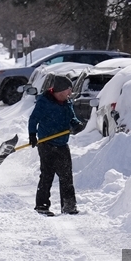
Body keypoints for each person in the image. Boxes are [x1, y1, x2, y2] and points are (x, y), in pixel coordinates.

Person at [28, 76, 83, 216]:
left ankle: (69, 206)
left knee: (66, 176)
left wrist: (76, 124)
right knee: (47, 175)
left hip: (62, 143)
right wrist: (32, 135)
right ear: (61, 90)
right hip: (46, 143)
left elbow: (71, 117)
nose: (70, 94)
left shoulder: (67, 102)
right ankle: (42, 206)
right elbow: (33, 119)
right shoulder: (44, 102)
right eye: (69, 90)